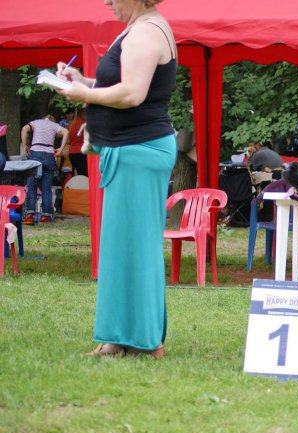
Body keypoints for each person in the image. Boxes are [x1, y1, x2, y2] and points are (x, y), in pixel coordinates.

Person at [57, 0, 178, 358]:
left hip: (140, 151)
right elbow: (121, 84)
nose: (107, 1)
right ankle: (119, 336)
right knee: (119, 248)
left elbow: (131, 94)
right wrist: (84, 82)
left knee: (136, 247)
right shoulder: (138, 28)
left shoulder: (146, 31)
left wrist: (84, 94)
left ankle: (145, 340)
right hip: (130, 150)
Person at [20, 113, 69, 224]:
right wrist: (61, 148)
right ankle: (45, 216)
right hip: (49, 155)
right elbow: (66, 132)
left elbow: (24, 129)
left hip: (35, 154)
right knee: (46, 187)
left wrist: (24, 145)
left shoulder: (36, 122)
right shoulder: (54, 125)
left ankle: (29, 216)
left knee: (32, 185)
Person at [67, 107, 88, 177]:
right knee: (84, 175)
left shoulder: (71, 125)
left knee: (76, 174)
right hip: (81, 153)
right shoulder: (84, 124)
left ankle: (75, 187)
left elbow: (68, 141)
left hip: (72, 152)